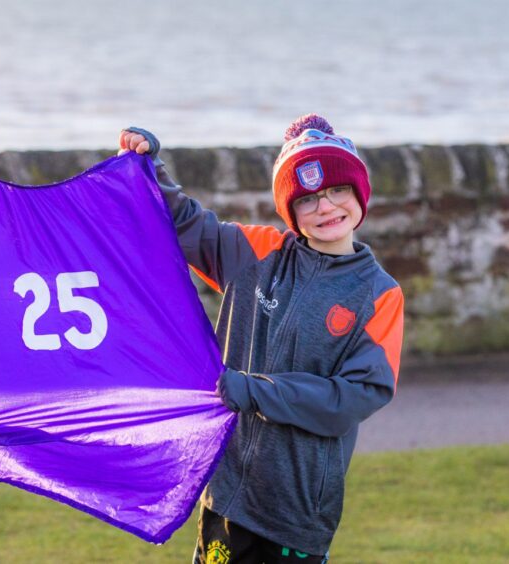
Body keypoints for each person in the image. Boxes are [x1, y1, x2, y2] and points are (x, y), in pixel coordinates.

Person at [119, 117, 404, 563]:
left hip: (299, 510)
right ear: (290, 209)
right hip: (229, 493)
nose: (325, 207)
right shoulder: (256, 254)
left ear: (359, 194)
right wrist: (148, 168)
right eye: (307, 199)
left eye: (337, 191)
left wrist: (251, 391)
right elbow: (185, 226)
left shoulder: (379, 295)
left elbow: (356, 396)